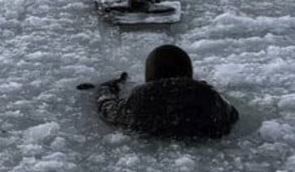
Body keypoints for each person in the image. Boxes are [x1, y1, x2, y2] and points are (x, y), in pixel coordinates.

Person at [79, 45, 239, 140]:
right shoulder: (208, 96)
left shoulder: (141, 99)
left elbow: (108, 109)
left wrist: (109, 87)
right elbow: (231, 115)